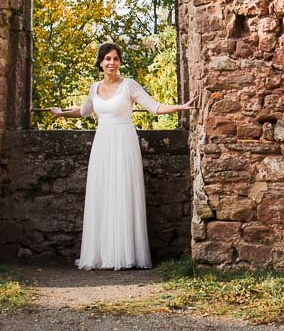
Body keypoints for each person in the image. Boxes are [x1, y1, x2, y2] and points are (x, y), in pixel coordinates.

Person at [49, 43, 193, 270]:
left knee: (124, 192)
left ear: (119, 62)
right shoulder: (94, 88)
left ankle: (126, 254)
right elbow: (84, 111)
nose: (111, 63)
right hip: (102, 143)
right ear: (100, 62)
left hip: (124, 142)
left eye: (115, 59)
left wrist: (180, 107)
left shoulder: (129, 86)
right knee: (103, 193)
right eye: (107, 59)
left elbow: (154, 107)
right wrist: (62, 113)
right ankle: (102, 255)